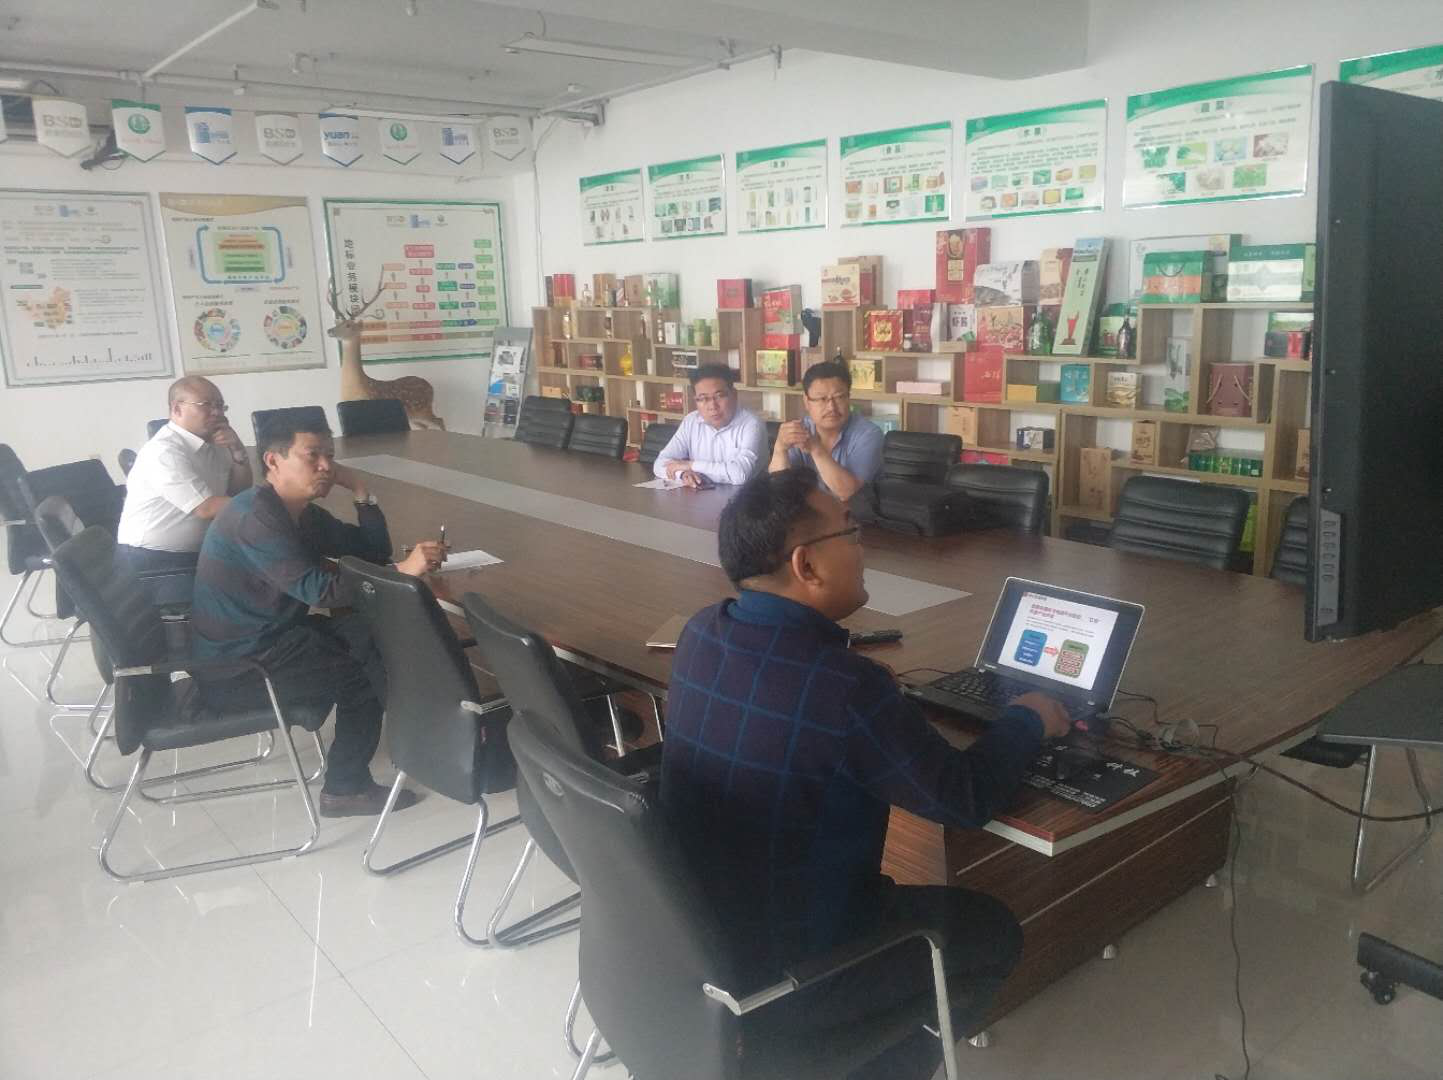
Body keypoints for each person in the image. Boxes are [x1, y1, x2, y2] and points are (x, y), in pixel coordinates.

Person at [662, 469, 1070, 1079]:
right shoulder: (847, 688)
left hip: (696, 941)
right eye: (851, 532)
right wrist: (1028, 718)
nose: (863, 546)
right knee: (992, 931)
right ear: (806, 565)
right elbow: (963, 797)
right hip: (794, 973)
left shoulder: (700, 631)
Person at [190, 412, 446, 817]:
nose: (326, 466)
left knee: (364, 631)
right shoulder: (256, 517)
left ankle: (423, 731)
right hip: (238, 666)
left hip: (272, 637)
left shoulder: (298, 512)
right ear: (273, 460)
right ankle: (346, 788)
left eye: (330, 455)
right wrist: (402, 571)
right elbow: (321, 592)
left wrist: (361, 490)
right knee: (361, 675)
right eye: (312, 455)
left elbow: (371, 550)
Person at [117, 376, 252, 577]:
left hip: (198, 552)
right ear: (177, 409)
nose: (216, 412)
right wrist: (270, 503)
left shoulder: (215, 442)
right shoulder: (164, 451)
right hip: (152, 560)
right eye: (206, 405)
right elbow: (206, 508)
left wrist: (237, 450)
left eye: (220, 405)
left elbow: (238, 491)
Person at [767, 359, 884, 499]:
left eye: (839, 397)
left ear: (849, 398)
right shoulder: (800, 429)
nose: (831, 407)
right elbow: (777, 489)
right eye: (822, 399)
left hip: (852, 511)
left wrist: (816, 449)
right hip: (806, 509)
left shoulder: (869, 434)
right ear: (806, 401)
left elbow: (848, 493)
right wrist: (780, 449)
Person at [652, 363, 767, 487]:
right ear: (695, 400)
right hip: (700, 496)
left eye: (719, 396)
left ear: (734, 395)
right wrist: (683, 473)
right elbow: (660, 464)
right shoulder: (691, 421)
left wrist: (691, 465)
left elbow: (740, 474)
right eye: (703, 399)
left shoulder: (752, 424)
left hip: (747, 496)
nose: (712, 406)